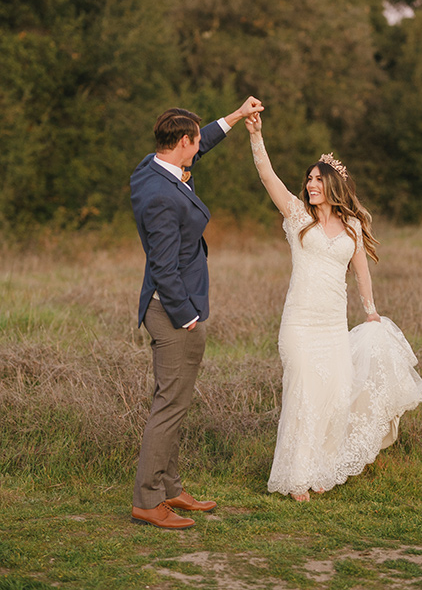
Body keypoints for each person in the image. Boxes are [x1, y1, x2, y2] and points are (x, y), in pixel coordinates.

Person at [245, 112, 422, 502]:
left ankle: (321, 468)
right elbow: (266, 176)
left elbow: (361, 271)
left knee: (332, 396)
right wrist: (256, 137)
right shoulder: (297, 216)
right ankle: (296, 477)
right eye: (308, 179)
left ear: (332, 185)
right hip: (299, 324)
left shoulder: (351, 227)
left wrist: (371, 311)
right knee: (303, 392)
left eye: (317, 179)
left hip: (332, 326)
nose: (310, 184)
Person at [130, 96, 263, 529]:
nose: (198, 147)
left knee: (176, 403)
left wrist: (238, 115)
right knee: (168, 406)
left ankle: (169, 488)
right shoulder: (159, 197)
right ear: (181, 142)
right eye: (194, 142)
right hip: (171, 312)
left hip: (178, 306)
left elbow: (202, 138)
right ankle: (148, 500)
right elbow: (164, 268)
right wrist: (186, 315)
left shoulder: (154, 165)